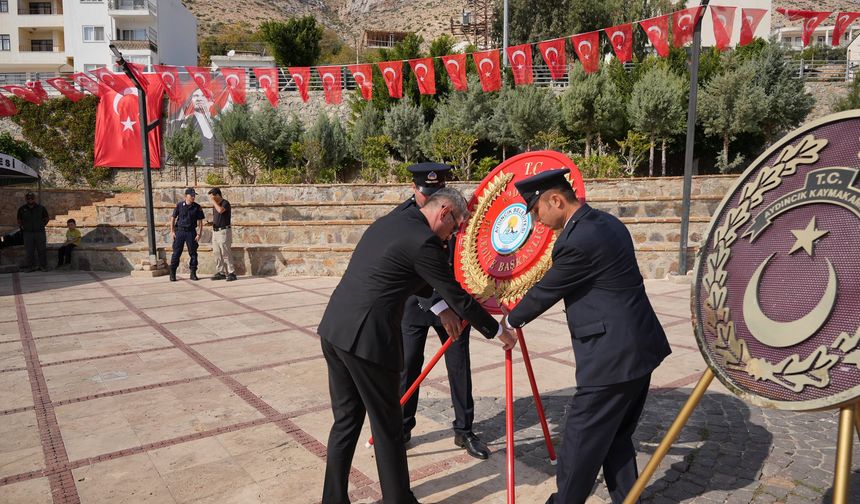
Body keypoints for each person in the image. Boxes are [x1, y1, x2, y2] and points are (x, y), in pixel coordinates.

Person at [317, 187, 517, 504]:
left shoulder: (391, 222)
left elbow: (410, 277)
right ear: (445, 212)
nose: (451, 237)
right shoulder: (424, 242)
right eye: (453, 228)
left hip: (335, 330)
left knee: (346, 421)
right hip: (368, 342)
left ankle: (333, 499)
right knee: (388, 428)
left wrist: (441, 308)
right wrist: (497, 330)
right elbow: (455, 293)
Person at [503, 169, 672, 504]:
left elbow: (547, 290)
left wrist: (509, 320)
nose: (538, 222)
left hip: (611, 357)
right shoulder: (606, 223)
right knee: (616, 436)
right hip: (639, 346)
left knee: (581, 439)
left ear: (556, 200)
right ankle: (627, 497)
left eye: (538, 212)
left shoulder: (579, 241)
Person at [395, 162, 489, 459]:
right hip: (417, 302)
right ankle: (403, 427)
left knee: (459, 366)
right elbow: (410, 270)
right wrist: (436, 304)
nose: (433, 199)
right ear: (414, 190)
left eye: (438, 192)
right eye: (427, 193)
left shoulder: (451, 212)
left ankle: (464, 431)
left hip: (452, 300)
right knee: (409, 366)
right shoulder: (403, 218)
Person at [169, 188, 204, 282]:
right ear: (186, 196)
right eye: (191, 195)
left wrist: (199, 233)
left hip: (191, 232)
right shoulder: (179, 205)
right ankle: (172, 273)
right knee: (176, 253)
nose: (193, 197)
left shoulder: (197, 207)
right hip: (179, 232)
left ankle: (193, 273)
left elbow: (200, 221)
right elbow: (173, 218)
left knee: (193, 253)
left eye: (194, 195)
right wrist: (172, 231)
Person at [207, 187, 236, 281]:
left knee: (225, 252)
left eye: (212, 197)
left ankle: (232, 272)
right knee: (216, 253)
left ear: (218, 195)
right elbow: (218, 216)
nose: (211, 199)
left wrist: (213, 202)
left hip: (224, 231)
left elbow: (220, 210)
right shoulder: (215, 205)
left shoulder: (225, 203)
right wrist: (211, 223)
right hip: (215, 231)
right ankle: (221, 272)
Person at [16, 192, 49, 272]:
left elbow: (46, 218)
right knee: (29, 251)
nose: (30, 200)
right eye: (28, 198)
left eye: (31, 198)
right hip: (28, 233)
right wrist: (23, 227)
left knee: (41, 250)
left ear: (34, 199)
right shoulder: (22, 209)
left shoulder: (41, 208)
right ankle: (30, 267)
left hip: (40, 232)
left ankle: (43, 266)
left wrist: (41, 225)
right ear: (26, 199)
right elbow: (19, 220)